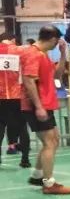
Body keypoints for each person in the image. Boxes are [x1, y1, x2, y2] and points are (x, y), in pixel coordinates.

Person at [22, 27, 70, 195]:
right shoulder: (33, 54)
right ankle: (49, 184)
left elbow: (57, 75)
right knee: (49, 143)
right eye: (57, 41)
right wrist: (38, 107)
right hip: (36, 105)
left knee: (54, 140)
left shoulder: (43, 55)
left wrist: (62, 54)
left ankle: (37, 176)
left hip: (45, 104)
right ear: (53, 39)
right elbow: (28, 80)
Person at [0, 32, 29, 168]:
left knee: (0, 126)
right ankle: (25, 159)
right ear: (12, 40)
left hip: (0, 96)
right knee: (22, 127)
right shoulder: (20, 51)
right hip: (18, 95)